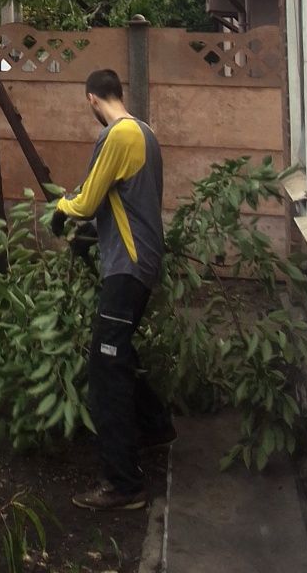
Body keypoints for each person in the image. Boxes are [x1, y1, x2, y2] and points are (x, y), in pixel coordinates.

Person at [50, 67, 175, 512]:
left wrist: (61, 211)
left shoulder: (118, 136)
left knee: (105, 368)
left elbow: (88, 197)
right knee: (118, 351)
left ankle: (123, 484)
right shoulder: (146, 132)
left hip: (128, 266)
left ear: (91, 100)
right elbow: (122, 198)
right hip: (140, 261)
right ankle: (157, 428)